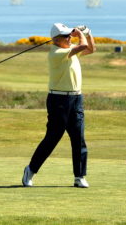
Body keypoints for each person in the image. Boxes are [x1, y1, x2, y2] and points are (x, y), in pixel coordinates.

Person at [22, 23, 96, 188]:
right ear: (56, 39)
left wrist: (89, 33)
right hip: (58, 101)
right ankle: (30, 170)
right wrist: (79, 33)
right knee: (52, 138)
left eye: (70, 35)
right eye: (67, 36)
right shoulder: (56, 53)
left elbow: (90, 49)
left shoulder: (69, 51)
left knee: (78, 139)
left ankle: (79, 177)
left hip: (76, 99)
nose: (70, 38)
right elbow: (83, 45)